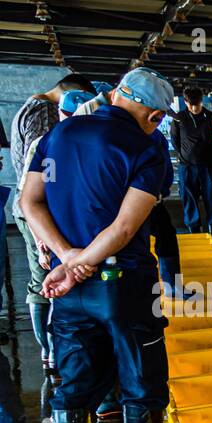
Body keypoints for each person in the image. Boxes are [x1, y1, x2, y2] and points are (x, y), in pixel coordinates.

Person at [20, 67, 193, 423]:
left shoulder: (58, 135)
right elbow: (123, 228)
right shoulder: (147, 149)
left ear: (115, 94)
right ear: (155, 116)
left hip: (69, 290)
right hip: (127, 285)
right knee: (142, 377)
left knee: (73, 385)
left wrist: (66, 259)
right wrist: (82, 264)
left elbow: (29, 202)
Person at [9, 72, 95, 374]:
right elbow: (42, 179)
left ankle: (53, 350)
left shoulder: (29, 107)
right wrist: (43, 235)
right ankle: (51, 350)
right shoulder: (44, 116)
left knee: (46, 278)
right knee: (46, 280)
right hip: (38, 212)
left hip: (34, 209)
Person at [171, 87, 212, 234]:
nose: (194, 108)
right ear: (185, 102)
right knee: (189, 199)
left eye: (197, 104)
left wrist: (210, 155)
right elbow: (176, 141)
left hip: (209, 166)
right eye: (191, 104)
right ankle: (194, 229)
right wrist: (187, 154)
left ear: (202, 101)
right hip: (187, 166)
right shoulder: (179, 118)